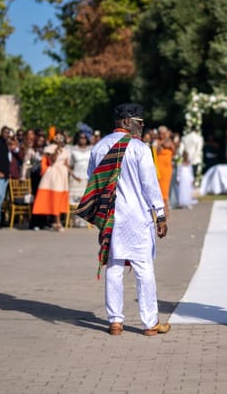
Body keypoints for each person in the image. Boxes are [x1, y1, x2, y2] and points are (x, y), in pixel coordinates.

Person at [81, 103, 170, 337]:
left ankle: (115, 322)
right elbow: (150, 184)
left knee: (114, 267)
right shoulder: (139, 149)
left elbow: (93, 181)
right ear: (126, 122)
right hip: (137, 216)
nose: (142, 127)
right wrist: (160, 214)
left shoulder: (99, 147)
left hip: (111, 217)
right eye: (139, 122)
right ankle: (150, 323)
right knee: (143, 268)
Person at [32, 132, 71, 231]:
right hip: (53, 174)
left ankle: (54, 221)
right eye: (57, 137)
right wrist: (56, 149)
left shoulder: (66, 150)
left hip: (62, 175)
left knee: (60, 197)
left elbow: (66, 164)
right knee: (54, 197)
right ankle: (56, 222)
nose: (59, 138)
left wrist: (73, 175)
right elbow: (51, 161)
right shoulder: (49, 148)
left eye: (61, 137)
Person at [155, 126, 175, 205]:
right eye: (161, 133)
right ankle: (162, 206)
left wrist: (171, 146)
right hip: (159, 167)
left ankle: (166, 206)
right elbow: (155, 152)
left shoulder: (170, 141)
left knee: (166, 189)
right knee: (160, 189)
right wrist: (162, 145)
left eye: (164, 133)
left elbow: (174, 152)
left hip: (167, 168)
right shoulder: (156, 141)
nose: (162, 135)